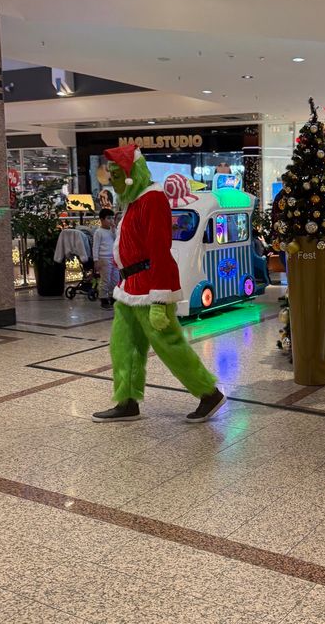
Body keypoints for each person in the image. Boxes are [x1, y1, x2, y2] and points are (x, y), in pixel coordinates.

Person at [92, 143, 225, 424]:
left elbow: (160, 250)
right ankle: (127, 400)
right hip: (129, 288)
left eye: (117, 176)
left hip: (151, 287)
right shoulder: (133, 200)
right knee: (122, 346)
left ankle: (209, 393)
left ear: (131, 173)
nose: (113, 183)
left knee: (169, 345)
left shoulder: (152, 199)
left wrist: (160, 299)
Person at [92, 208, 119, 309]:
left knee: (115, 279)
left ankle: (113, 297)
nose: (111, 220)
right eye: (108, 218)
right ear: (102, 220)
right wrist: (96, 260)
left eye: (112, 218)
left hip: (114, 258)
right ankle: (103, 298)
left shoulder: (114, 231)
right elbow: (95, 247)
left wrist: (114, 230)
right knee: (105, 279)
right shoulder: (99, 232)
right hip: (103, 259)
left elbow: (117, 240)